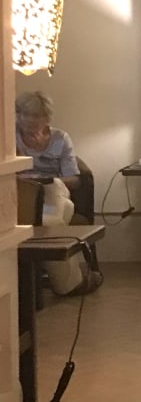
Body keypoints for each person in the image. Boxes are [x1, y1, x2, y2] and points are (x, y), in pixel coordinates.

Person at [16, 91, 98, 295]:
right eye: (25, 114)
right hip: (23, 195)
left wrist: (49, 181)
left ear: (47, 118)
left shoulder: (60, 138)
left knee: (52, 189)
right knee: (56, 218)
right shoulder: (9, 138)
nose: (29, 120)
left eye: (36, 115)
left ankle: (45, 222)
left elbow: (74, 179)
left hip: (55, 191)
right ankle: (69, 284)